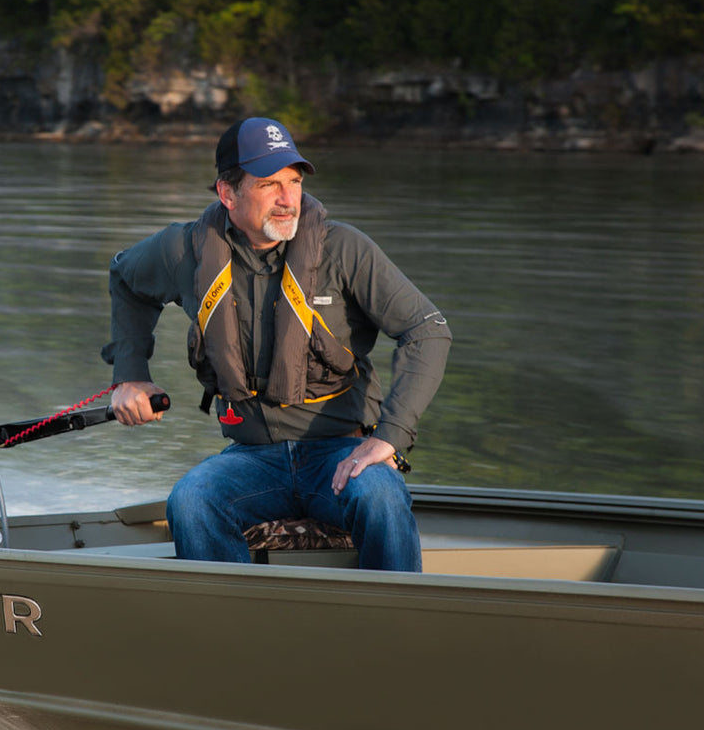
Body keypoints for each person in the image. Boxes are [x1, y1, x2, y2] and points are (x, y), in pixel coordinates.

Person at [101, 118, 450, 571]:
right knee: (191, 500)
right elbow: (126, 278)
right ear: (228, 194)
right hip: (252, 460)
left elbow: (427, 328)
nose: (288, 199)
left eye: (295, 181)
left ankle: (399, 629)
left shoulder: (345, 249)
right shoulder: (184, 251)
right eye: (269, 184)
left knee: (380, 494)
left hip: (340, 454)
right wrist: (130, 375)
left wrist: (389, 438)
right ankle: (231, 630)